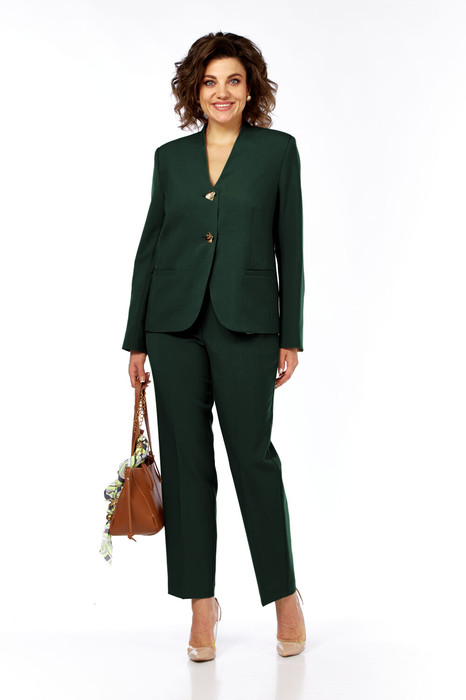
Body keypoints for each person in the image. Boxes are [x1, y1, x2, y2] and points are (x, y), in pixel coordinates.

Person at [122, 31, 306, 661]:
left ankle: (284, 595)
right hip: (171, 327)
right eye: (209, 82)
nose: (221, 92)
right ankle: (202, 605)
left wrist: (290, 333)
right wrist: (135, 341)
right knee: (187, 464)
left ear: (250, 88)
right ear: (194, 91)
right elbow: (150, 246)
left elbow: (291, 246)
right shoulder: (170, 158)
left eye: (232, 80)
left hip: (248, 325)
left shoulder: (277, 151)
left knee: (253, 458)